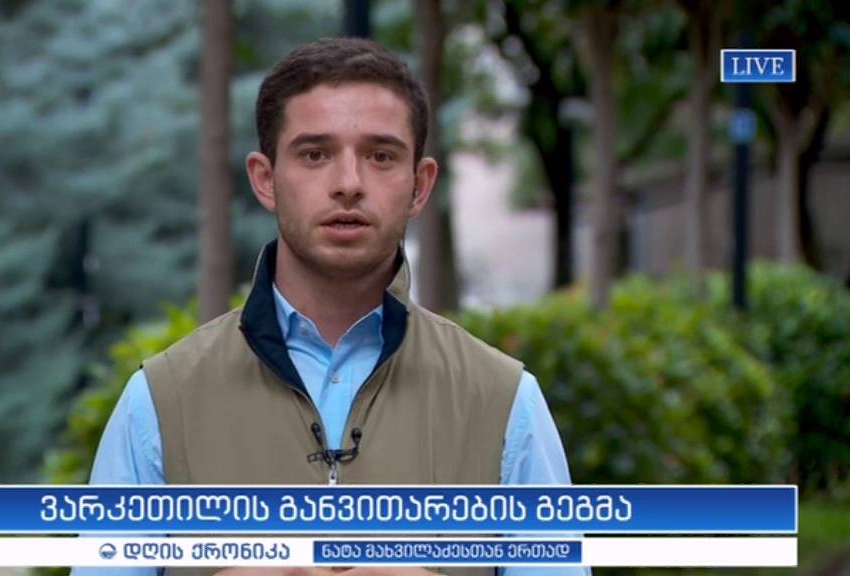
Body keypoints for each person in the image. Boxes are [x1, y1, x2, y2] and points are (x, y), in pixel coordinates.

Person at [73, 37, 587, 576]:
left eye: (381, 156)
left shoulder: (506, 403)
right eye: (315, 154)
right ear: (265, 179)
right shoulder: (159, 403)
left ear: (419, 186)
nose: (348, 184)